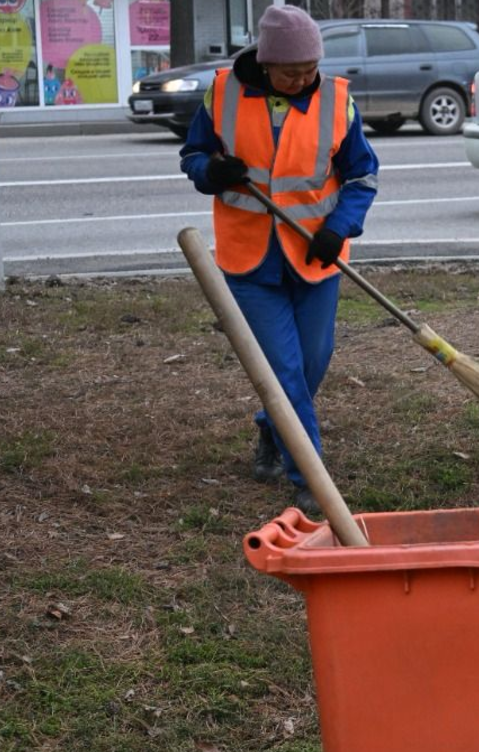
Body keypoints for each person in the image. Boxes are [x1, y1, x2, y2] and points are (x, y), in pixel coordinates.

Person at [179, 5, 379, 515]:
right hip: (248, 261)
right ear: (266, 63)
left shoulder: (337, 101)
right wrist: (214, 171)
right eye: (291, 70)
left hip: (315, 256)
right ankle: (309, 477)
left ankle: (272, 430)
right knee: (285, 372)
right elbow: (193, 156)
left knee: (312, 364)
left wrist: (338, 229)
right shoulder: (222, 93)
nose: (303, 77)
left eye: (310, 67)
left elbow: (361, 177)